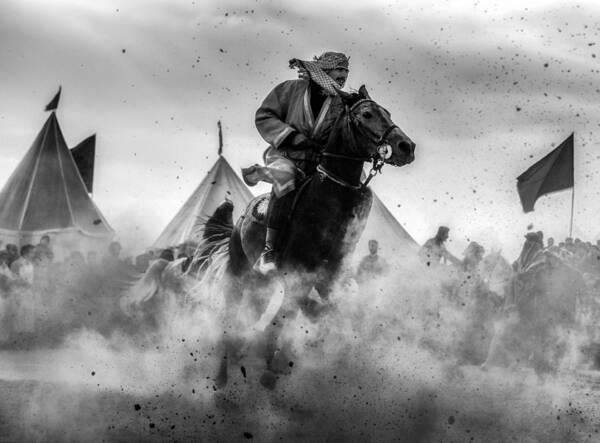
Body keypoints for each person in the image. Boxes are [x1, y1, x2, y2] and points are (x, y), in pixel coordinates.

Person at [242, 51, 350, 274]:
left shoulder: (341, 103)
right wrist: (292, 137)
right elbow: (264, 116)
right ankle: (269, 250)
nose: (344, 76)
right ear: (324, 71)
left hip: (319, 164)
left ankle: (336, 256)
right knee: (286, 177)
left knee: (352, 194)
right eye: (339, 70)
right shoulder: (290, 89)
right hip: (286, 157)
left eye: (346, 72)